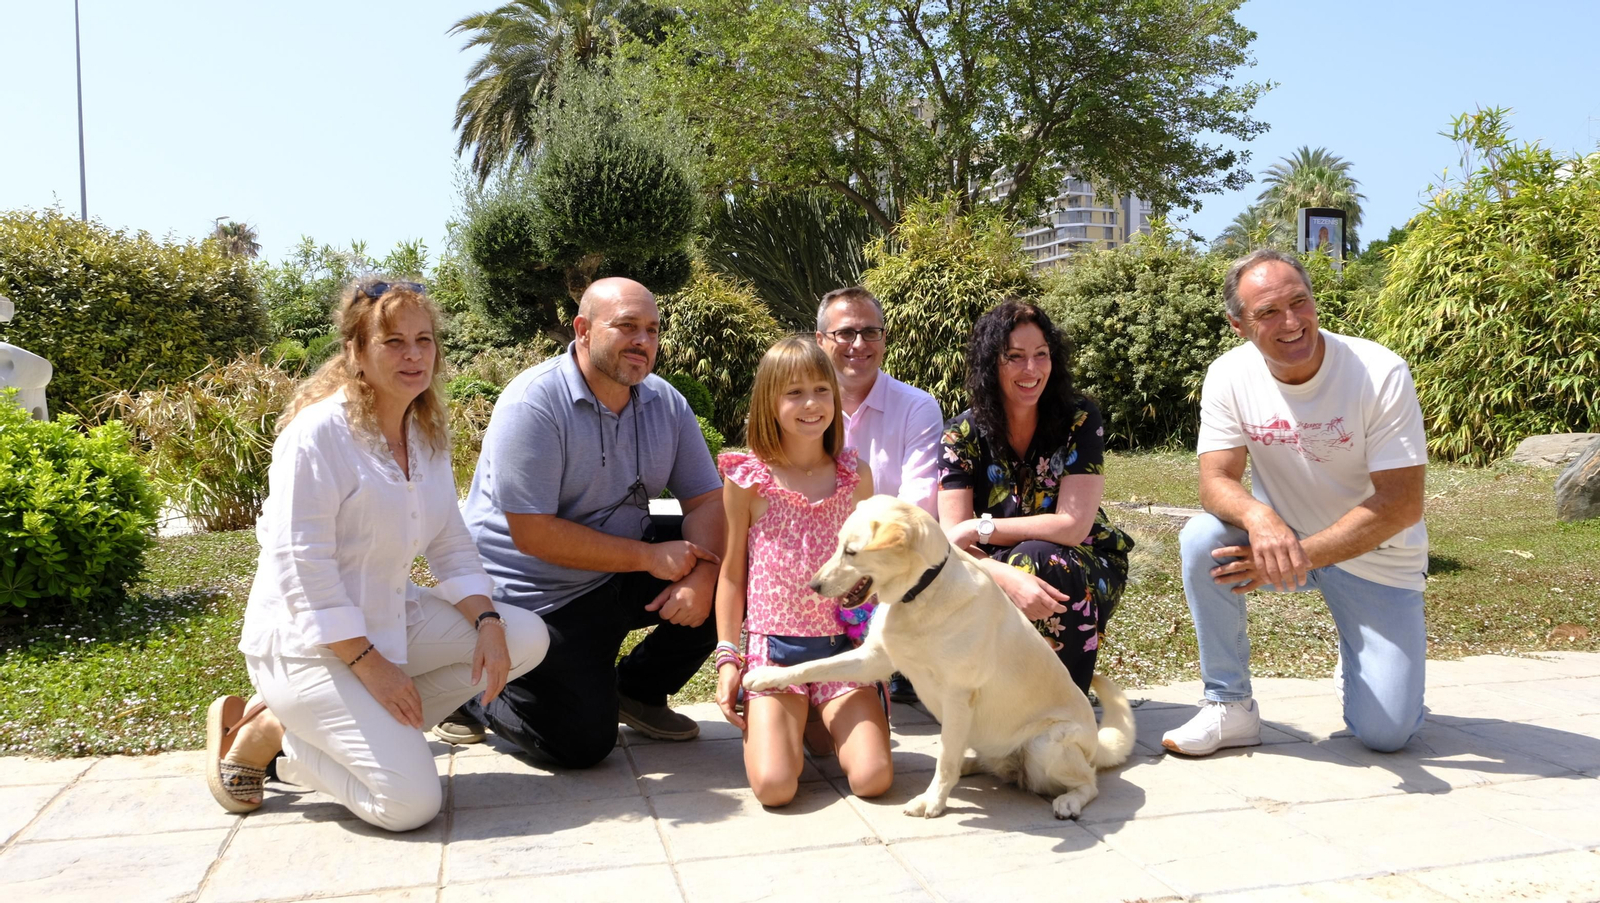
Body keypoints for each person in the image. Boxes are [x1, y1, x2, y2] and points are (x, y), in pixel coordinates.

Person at [204, 279, 549, 831]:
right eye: (393, 342)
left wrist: (487, 622)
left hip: (388, 619)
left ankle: (301, 727)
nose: (414, 355)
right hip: (307, 645)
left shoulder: (426, 433)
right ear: (356, 353)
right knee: (410, 805)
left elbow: (449, 541)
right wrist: (371, 666)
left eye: (424, 340)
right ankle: (290, 740)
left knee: (523, 636)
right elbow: (302, 564)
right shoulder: (318, 434)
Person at [443, 277, 726, 767]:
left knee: (743, 569)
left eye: (652, 330)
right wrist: (650, 558)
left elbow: (707, 502)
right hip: (538, 592)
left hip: (620, 565)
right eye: (627, 326)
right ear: (583, 330)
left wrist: (704, 577)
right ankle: (467, 694)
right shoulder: (534, 403)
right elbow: (533, 534)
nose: (643, 341)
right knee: (579, 745)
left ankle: (638, 690)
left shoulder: (665, 402)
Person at [1162, 249, 1427, 757]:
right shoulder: (1229, 374)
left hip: (1376, 556)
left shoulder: (1379, 371)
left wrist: (1301, 555)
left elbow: (1401, 504)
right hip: (1280, 541)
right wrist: (1259, 516)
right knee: (1203, 539)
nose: (1291, 322)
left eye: (1299, 302)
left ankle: (1361, 667)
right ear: (1238, 325)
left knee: (1387, 734)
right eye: (1267, 312)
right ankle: (1229, 705)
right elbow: (1215, 481)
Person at [713, 335, 893, 807]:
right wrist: (728, 658)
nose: (811, 403)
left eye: (821, 390)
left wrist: (878, 641)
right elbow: (732, 575)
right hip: (776, 653)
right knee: (775, 787)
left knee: (873, 778)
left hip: (841, 650)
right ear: (769, 402)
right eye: (794, 393)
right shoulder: (748, 480)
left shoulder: (855, 476)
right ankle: (798, 717)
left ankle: (818, 712)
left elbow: (872, 570)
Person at [937, 300, 1134, 695]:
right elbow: (953, 542)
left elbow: (1072, 526)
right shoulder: (961, 435)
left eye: (1041, 354)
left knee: (1041, 556)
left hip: (1082, 561)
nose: (1031, 369)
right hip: (991, 568)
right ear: (991, 364)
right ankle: (1005, 702)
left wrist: (981, 528)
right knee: (1022, 562)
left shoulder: (1080, 418)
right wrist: (1005, 575)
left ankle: (1063, 704)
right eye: (1015, 357)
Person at [814, 286, 943, 706]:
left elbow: (918, 504)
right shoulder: (801, 408)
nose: (859, 344)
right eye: (845, 333)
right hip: (815, 553)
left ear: (884, 339)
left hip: (890, 560)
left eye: (871, 332)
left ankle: (898, 659)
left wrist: (861, 559)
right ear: (820, 340)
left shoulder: (916, 407)